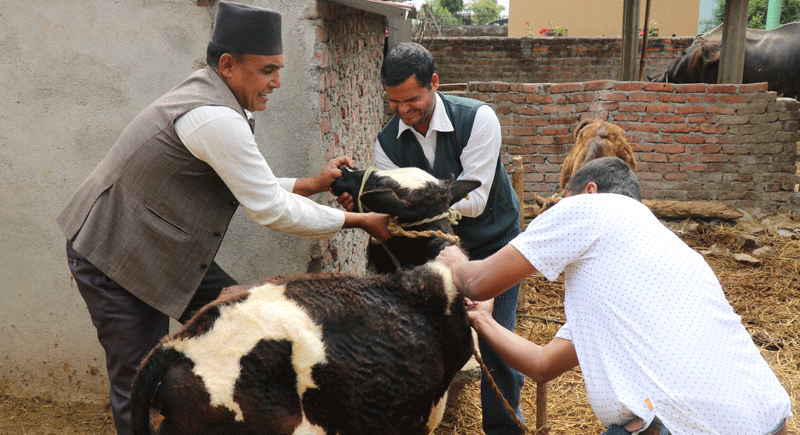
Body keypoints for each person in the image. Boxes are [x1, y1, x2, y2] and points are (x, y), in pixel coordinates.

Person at [56, 3, 390, 434]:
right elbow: (269, 207)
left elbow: (254, 182)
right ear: (228, 65)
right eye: (268, 69)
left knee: (243, 318)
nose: (277, 82)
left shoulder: (216, 101)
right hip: (113, 254)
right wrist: (360, 222)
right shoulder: (212, 116)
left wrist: (311, 183)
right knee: (141, 378)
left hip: (163, 249)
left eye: (280, 69)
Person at [437, 157, 793, 435]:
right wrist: (482, 319)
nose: (558, 210)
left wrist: (446, 249)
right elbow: (543, 365)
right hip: (770, 417)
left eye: (563, 201)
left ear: (588, 192)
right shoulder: (653, 259)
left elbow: (479, 282)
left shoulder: (591, 208)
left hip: (691, 426)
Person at [339, 41, 526, 434]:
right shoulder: (387, 142)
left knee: (496, 339)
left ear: (435, 83)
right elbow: (395, 205)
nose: (403, 112)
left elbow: (474, 199)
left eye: (412, 100)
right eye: (393, 103)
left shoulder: (478, 119)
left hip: (493, 243)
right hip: (433, 250)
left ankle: (504, 427)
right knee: (424, 336)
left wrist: (418, 205)